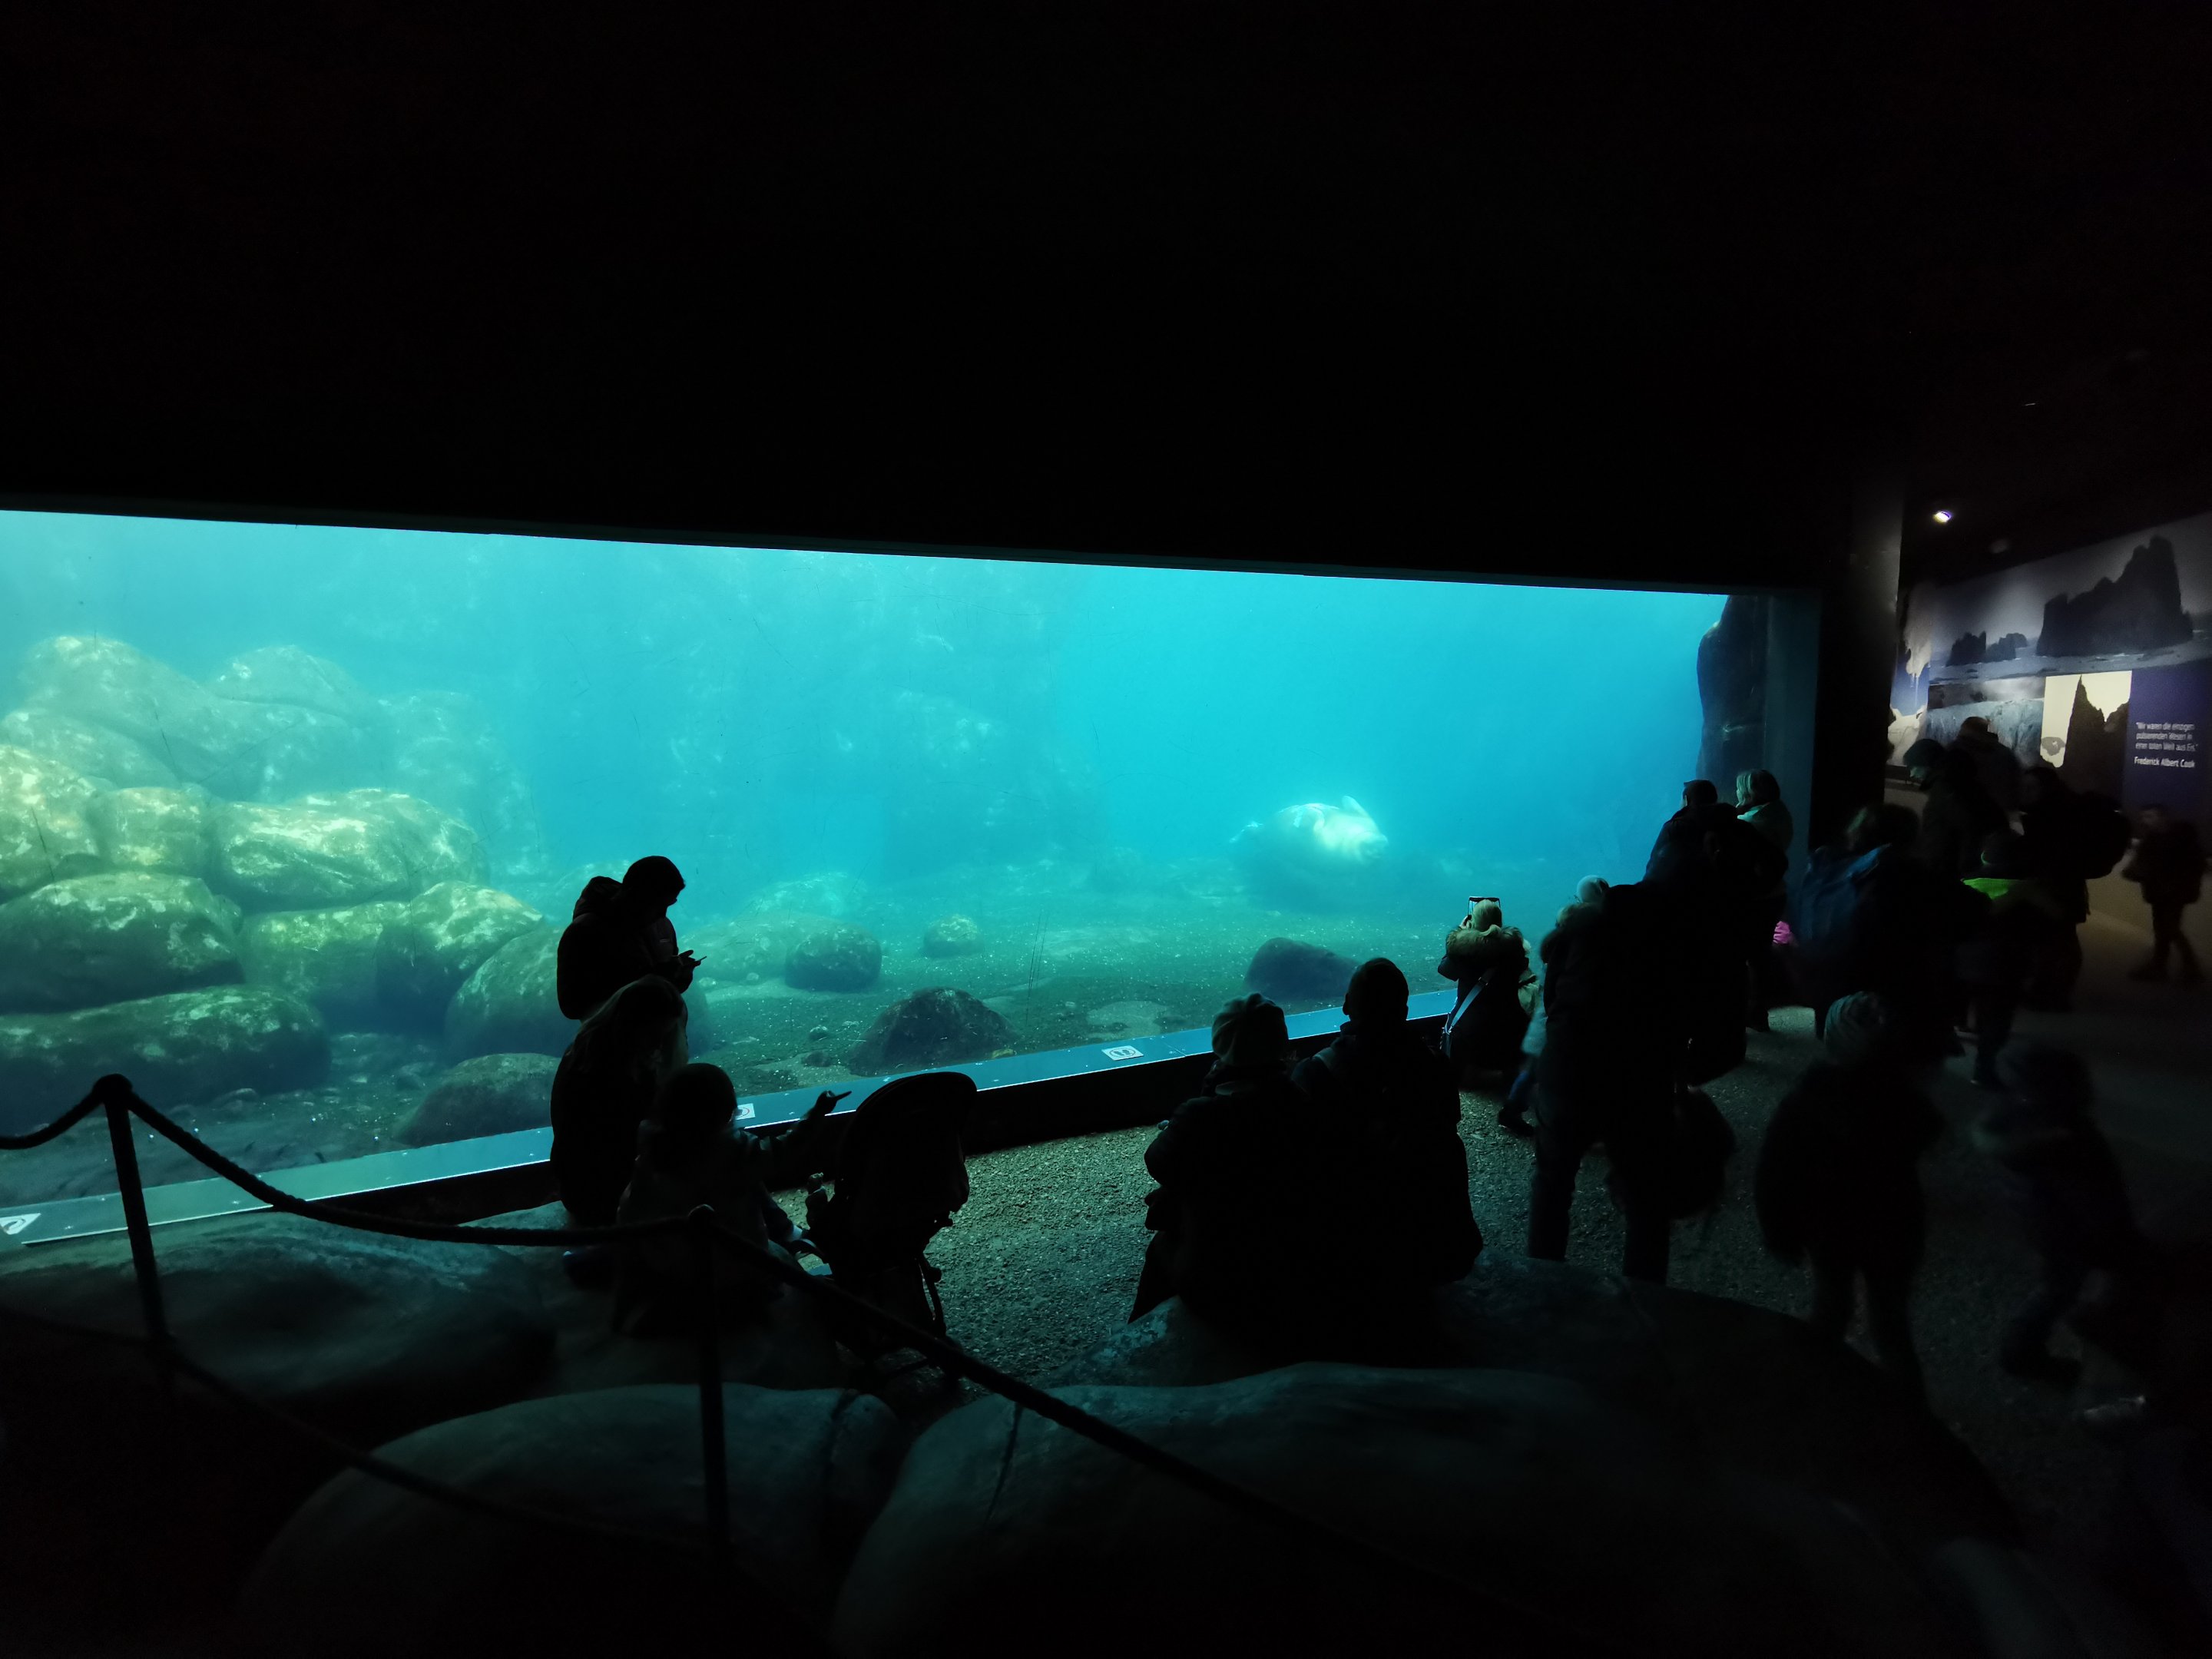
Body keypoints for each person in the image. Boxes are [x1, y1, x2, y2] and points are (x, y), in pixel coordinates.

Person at [1753, 993, 1942, 1400]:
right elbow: (1926, 1133)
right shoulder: (1906, 1102)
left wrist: (1778, 1230)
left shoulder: (1806, 1100)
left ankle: (1812, 1395)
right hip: (1894, 1224)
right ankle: (1912, 1420)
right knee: (1891, 1326)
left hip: (1830, 1225)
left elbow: (1774, 1169)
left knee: (1830, 1308)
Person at [1131, 995, 1325, 1331]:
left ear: (1220, 1043)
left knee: (1162, 1240)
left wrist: (1201, 1103)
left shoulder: (1200, 1115)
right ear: (1280, 1041)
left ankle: (1137, 1338)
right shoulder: (1304, 1104)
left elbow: (1159, 1163)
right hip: (1290, 1262)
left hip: (1216, 1276)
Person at [1296, 957, 1482, 1295]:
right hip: (1427, 1241)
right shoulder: (1436, 1067)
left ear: (1347, 1007)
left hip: (1350, 1243)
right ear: (1404, 1009)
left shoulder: (1315, 1073)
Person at [1527, 879, 1680, 1283]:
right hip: (1639, 1076)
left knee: (1553, 1180)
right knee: (1647, 1194)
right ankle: (1644, 1293)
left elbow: (1552, 996)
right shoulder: (1664, 942)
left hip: (1568, 1066)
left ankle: (1541, 1278)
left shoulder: (1577, 932)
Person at [614, 1065, 842, 1330]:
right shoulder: (736, 1150)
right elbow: (784, 1149)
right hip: (734, 1266)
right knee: (775, 1263)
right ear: (725, 1110)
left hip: (670, 1265)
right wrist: (817, 1114)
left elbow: (630, 1209)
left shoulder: (651, 1149)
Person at [1972, 1043, 2149, 1382]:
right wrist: (2118, 1238)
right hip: (2073, 1234)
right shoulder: (2069, 1141)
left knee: (2059, 1287)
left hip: (2046, 1227)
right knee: (2060, 1290)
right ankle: (2021, 1352)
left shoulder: (2013, 1117)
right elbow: (2097, 1199)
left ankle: (2028, 1349)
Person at [550, 975, 690, 1232]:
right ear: (634, 1025)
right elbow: (633, 1140)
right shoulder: (611, 1072)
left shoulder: (585, 1049)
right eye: (654, 1035)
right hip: (605, 1197)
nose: (658, 1044)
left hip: (579, 1190)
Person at [1959, 830, 2067, 1087]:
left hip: (1963, 961)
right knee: (1997, 1018)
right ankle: (1984, 1069)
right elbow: (2058, 918)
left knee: (1965, 1002)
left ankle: (1962, 1028)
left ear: (1985, 855)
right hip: (2008, 964)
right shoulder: (2032, 887)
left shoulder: (1967, 882)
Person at [557, 856, 702, 1022]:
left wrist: (679, 977)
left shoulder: (662, 926)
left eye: (670, 904)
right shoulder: (585, 932)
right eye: (658, 903)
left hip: (660, 1041)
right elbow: (572, 1006)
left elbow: (663, 990)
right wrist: (649, 982)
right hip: (611, 1042)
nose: (663, 914)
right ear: (636, 894)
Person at [1438, 897, 1532, 1108]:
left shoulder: (1465, 950)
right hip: (1509, 1026)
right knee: (1507, 1029)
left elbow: (1445, 970)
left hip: (1473, 1030)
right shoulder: (1513, 950)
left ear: (1473, 920)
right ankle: (1507, 1072)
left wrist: (1460, 935)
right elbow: (1521, 962)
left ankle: (1472, 1075)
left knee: (1467, 1031)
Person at [2017, 765, 2092, 1008]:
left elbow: (2050, 852)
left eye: (2031, 787)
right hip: (2064, 885)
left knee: (2055, 939)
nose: (2026, 792)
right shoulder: (2066, 809)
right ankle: (2053, 993)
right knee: (2060, 938)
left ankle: (2052, 995)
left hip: (2055, 885)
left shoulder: (2050, 815)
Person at [1736, 769, 1794, 1028]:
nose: (1736, 793)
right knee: (1761, 954)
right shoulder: (1779, 812)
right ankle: (1759, 1012)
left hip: (1755, 898)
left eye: (1740, 789)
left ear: (1750, 792)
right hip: (1775, 894)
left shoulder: (1752, 823)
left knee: (1746, 955)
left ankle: (1750, 1010)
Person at [2124, 803, 2207, 983]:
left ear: (2164, 817)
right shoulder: (2154, 839)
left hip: (2174, 892)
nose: (2145, 821)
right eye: (2144, 817)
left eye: (2150, 816)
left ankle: (2190, 969)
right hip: (2160, 891)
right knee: (2163, 930)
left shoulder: (2182, 839)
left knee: (2170, 929)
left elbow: (2194, 866)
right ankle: (2161, 967)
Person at [1904, 738, 2007, 879]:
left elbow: (1967, 827)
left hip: (1949, 867)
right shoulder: (1958, 780)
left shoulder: (1945, 787)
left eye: (1913, 767)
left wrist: (1965, 868)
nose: (1912, 775)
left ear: (1925, 763)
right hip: (1957, 865)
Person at [1952, 714, 2023, 814]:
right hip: (1999, 816)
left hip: (1964, 815)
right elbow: (2015, 787)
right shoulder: (2005, 754)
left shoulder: (1955, 751)